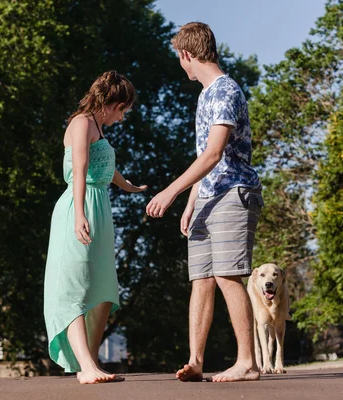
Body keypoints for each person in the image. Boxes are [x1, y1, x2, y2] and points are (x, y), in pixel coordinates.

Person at [146, 22, 263, 383]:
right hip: (209, 197)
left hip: (233, 194)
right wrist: (193, 200)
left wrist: (172, 191)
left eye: (178, 59)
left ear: (187, 54)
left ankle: (247, 363)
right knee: (201, 279)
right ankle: (195, 360)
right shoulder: (205, 95)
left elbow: (214, 154)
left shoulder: (225, 90)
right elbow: (205, 157)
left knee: (229, 276)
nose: (180, 66)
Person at [44, 71, 147, 384]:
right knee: (74, 286)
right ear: (111, 103)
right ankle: (86, 368)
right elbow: (80, 169)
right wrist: (79, 214)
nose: (122, 117)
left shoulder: (98, 128)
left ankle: (89, 362)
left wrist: (128, 186)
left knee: (103, 290)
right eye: (123, 110)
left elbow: (106, 166)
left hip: (100, 209)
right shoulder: (81, 123)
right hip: (79, 207)